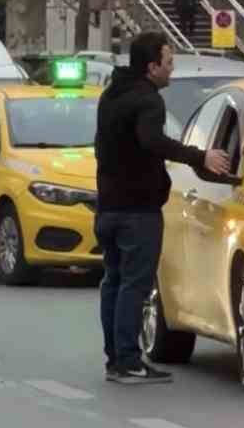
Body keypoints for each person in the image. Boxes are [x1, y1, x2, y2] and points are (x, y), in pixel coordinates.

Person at [94, 29, 231, 385]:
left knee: (114, 282)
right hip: (137, 210)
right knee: (134, 286)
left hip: (107, 207)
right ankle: (128, 361)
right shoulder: (149, 101)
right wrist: (200, 156)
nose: (172, 69)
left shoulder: (112, 94)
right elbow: (152, 141)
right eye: (168, 62)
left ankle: (115, 358)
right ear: (152, 66)